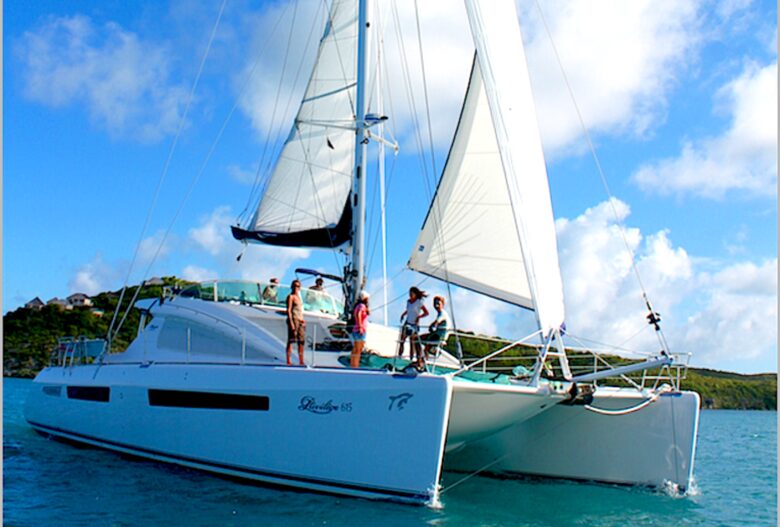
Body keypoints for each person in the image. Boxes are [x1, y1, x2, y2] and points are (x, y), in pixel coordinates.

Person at [398, 286, 429, 361]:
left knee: (412, 342)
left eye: (412, 294)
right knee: (402, 340)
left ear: (415, 294)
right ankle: (399, 356)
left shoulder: (419, 302)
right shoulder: (408, 302)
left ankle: (411, 358)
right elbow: (408, 310)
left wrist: (419, 317)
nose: (410, 295)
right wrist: (403, 314)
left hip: (414, 324)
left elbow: (426, 313)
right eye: (410, 294)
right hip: (407, 322)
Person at [419, 296, 449, 369]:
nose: (436, 305)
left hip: (439, 336)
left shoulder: (442, 313)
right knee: (420, 340)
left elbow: (437, 322)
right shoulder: (440, 313)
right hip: (437, 334)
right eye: (435, 303)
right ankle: (423, 359)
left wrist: (431, 326)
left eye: (438, 303)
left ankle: (422, 361)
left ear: (442, 304)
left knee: (418, 339)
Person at [285, 280, 306, 366]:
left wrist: (303, 320)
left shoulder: (299, 298)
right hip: (294, 319)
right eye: (294, 286)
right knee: (291, 340)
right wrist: (291, 323)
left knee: (301, 341)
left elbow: (300, 310)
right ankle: (288, 360)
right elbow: (289, 310)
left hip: (300, 320)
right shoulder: (291, 297)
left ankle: (301, 360)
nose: (296, 288)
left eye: (297, 286)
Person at [350, 291, 370, 368]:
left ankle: (353, 364)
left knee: (355, 349)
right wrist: (360, 326)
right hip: (360, 330)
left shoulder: (358, 305)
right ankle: (355, 365)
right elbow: (358, 314)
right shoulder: (362, 306)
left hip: (357, 329)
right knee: (358, 350)